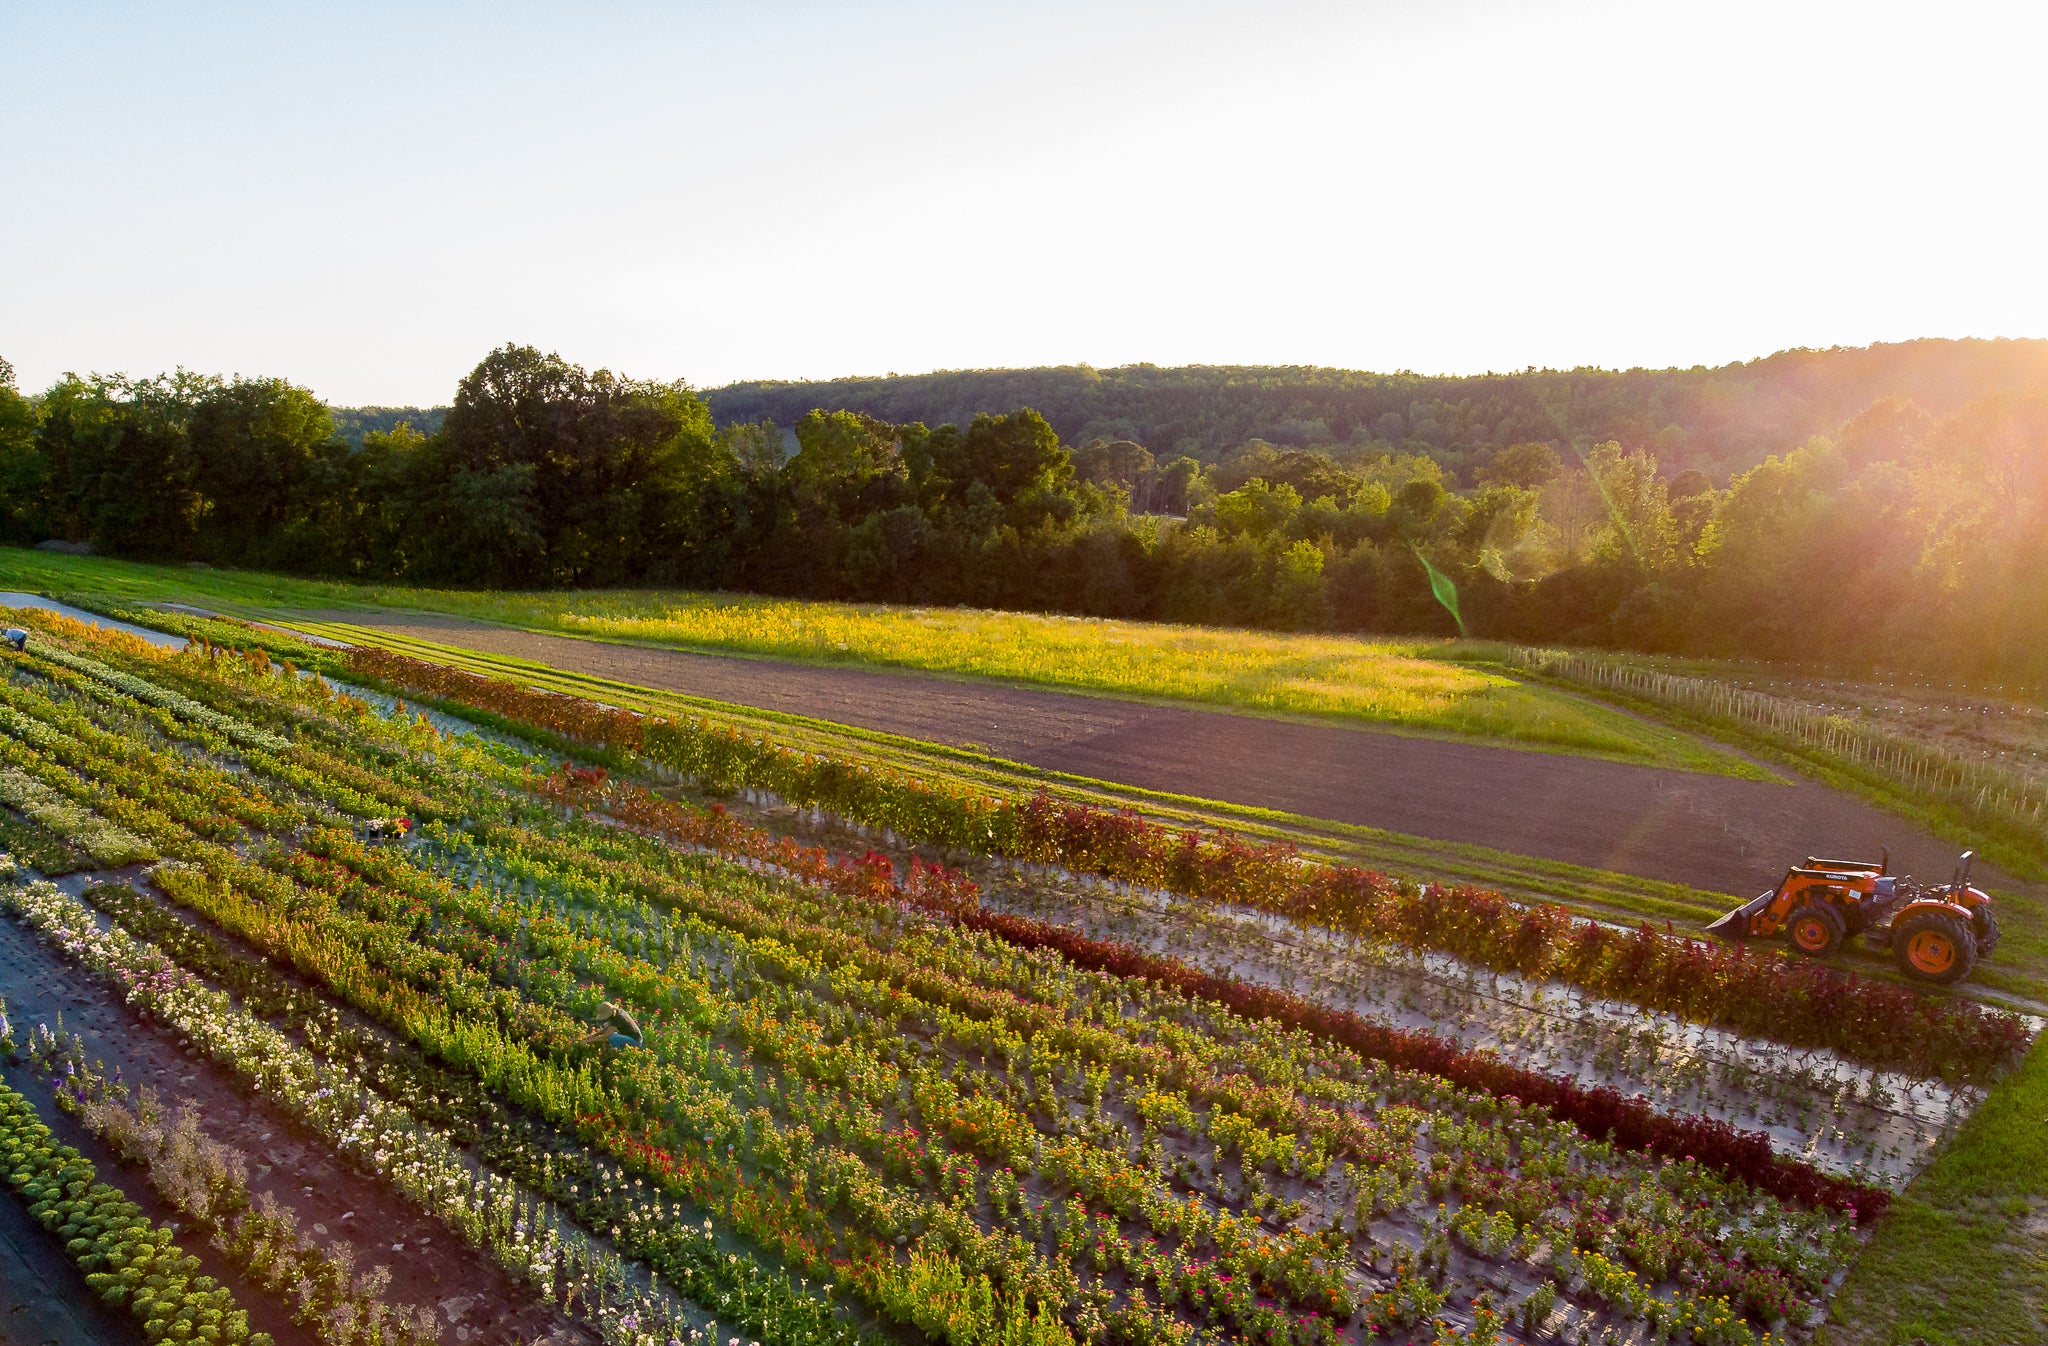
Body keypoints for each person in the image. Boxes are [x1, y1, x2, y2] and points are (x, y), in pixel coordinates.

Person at [576, 999, 643, 1050]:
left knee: (612, 1038)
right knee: (611, 1034)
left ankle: (619, 1051)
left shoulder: (618, 1018)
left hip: (636, 1041)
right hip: (628, 1035)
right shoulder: (616, 1013)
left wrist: (586, 1041)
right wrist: (593, 1035)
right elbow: (607, 1028)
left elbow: (604, 1037)